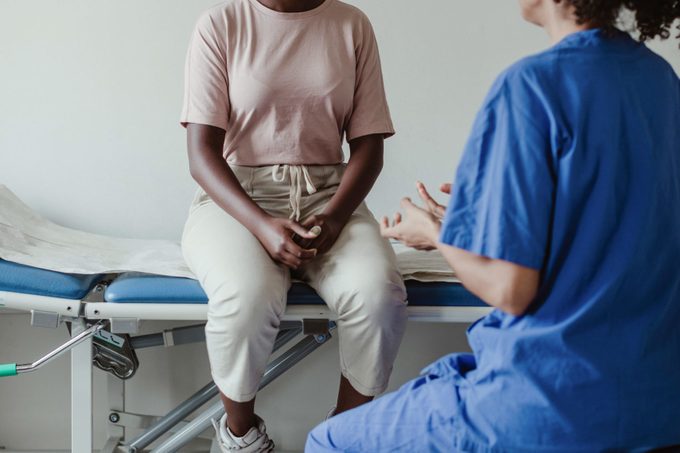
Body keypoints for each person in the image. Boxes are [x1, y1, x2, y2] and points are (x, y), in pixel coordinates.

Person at [306, 0, 680, 451]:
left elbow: (511, 289)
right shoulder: (659, 79)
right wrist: (475, 229)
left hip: (553, 401)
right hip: (658, 399)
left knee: (329, 441)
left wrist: (435, 235)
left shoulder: (532, 86)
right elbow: (609, 221)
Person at [179, 0, 407, 451]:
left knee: (379, 294)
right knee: (246, 295)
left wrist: (336, 216)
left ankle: (343, 434)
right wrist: (262, 226)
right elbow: (201, 153)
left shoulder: (351, 25)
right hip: (239, 199)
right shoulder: (222, 24)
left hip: (330, 195)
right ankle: (240, 435)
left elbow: (369, 146)